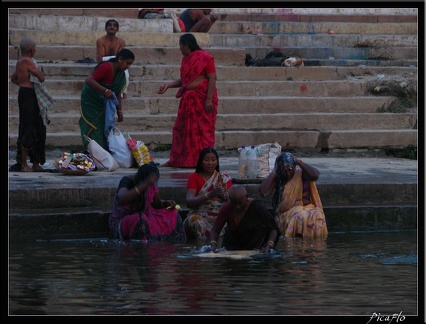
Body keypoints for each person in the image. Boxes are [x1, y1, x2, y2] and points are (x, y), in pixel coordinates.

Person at [156, 33, 218, 168]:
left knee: (203, 131)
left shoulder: (205, 58)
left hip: (202, 101)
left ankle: (202, 161)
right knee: (181, 130)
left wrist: (208, 100)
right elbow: (185, 81)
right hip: (188, 102)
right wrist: (168, 85)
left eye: (180, 46)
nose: (180, 49)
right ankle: (180, 160)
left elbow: (212, 78)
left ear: (186, 45)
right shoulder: (186, 60)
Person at [109, 162, 186, 241]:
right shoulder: (127, 180)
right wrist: (145, 184)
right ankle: (141, 248)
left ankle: (171, 245)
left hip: (144, 216)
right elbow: (121, 199)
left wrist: (164, 203)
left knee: (173, 213)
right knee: (140, 219)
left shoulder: (151, 185)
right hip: (123, 221)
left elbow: (156, 203)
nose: (154, 184)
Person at [258, 152, 328, 238]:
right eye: (285, 170)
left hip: (309, 208)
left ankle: (316, 247)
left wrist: (299, 162)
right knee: (300, 216)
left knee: (318, 216)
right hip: (289, 212)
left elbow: (315, 175)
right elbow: (262, 191)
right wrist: (274, 171)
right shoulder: (278, 178)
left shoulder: (301, 174)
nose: (288, 173)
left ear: (294, 167)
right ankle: (296, 247)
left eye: (290, 169)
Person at [10, 37, 54, 172]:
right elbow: (41, 77)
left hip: (27, 93)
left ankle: (35, 163)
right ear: (31, 49)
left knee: (38, 127)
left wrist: (24, 85)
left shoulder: (19, 62)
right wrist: (38, 73)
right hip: (28, 96)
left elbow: (13, 78)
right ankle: (23, 164)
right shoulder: (28, 61)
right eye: (34, 48)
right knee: (28, 128)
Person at [79, 48, 134, 151]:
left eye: (130, 64)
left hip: (104, 101)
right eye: (127, 63)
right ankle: (91, 152)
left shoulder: (121, 73)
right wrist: (104, 90)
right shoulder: (106, 67)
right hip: (91, 100)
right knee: (93, 127)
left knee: (104, 126)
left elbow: (117, 92)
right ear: (120, 59)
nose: (128, 67)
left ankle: (102, 152)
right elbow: (89, 80)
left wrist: (119, 111)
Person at [210, 184, 280, 253]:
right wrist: (213, 246)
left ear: (246, 197)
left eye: (240, 203)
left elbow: (273, 228)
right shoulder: (227, 207)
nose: (237, 207)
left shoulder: (257, 207)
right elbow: (215, 229)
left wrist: (268, 246)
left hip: (255, 250)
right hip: (231, 250)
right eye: (234, 203)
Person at [183, 147, 232, 244]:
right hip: (200, 214)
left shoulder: (224, 179)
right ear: (201, 162)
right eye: (206, 160)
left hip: (219, 215)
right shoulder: (194, 177)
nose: (210, 163)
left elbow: (233, 202)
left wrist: (223, 195)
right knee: (195, 222)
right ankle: (200, 247)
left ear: (217, 162)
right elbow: (189, 201)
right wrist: (209, 195)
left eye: (213, 160)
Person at [96, 19, 129, 98]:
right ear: (105, 28)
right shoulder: (101, 41)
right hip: (104, 64)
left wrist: (117, 60)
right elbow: (101, 58)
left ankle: (122, 91)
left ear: (117, 29)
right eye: (109, 25)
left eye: (114, 26)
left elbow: (121, 57)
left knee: (125, 70)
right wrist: (115, 58)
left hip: (117, 64)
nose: (112, 27)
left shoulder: (121, 41)